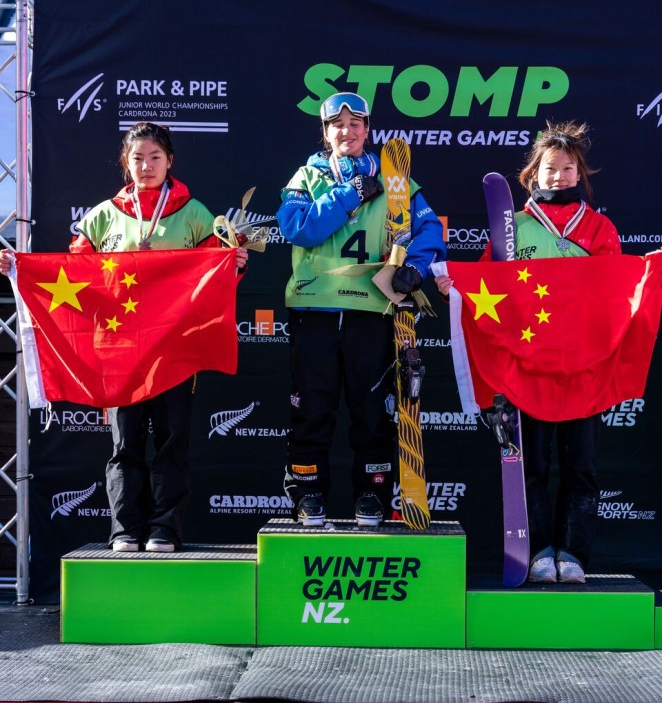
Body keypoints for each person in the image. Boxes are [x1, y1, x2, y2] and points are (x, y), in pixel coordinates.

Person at [0, 122, 248, 554]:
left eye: (155, 157)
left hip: (174, 349)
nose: (146, 166)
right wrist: (21, 268)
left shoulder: (194, 212)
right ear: (125, 164)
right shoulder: (103, 214)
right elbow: (74, 273)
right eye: (138, 158)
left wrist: (235, 263)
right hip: (119, 353)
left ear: (170, 161)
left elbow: (214, 275)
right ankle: (124, 529)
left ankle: (165, 528)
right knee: (124, 444)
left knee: (171, 441)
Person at [437, 120, 620, 584]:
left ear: (580, 174)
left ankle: (573, 555)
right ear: (533, 174)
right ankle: (538, 552)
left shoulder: (599, 229)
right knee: (531, 465)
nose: (559, 176)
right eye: (550, 168)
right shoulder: (512, 228)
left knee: (581, 467)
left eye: (567, 168)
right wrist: (453, 285)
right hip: (529, 368)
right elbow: (486, 287)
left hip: (582, 367)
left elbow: (616, 293)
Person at [277, 92, 446, 528]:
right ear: (326, 132)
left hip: (373, 310)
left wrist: (415, 268)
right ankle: (308, 492)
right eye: (338, 125)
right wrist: (347, 195)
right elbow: (297, 228)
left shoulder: (394, 178)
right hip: (315, 307)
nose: (347, 132)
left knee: (372, 411)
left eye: (355, 124)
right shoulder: (307, 176)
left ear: (367, 130)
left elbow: (429, 227)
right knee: (311, 408)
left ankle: (372, 492)